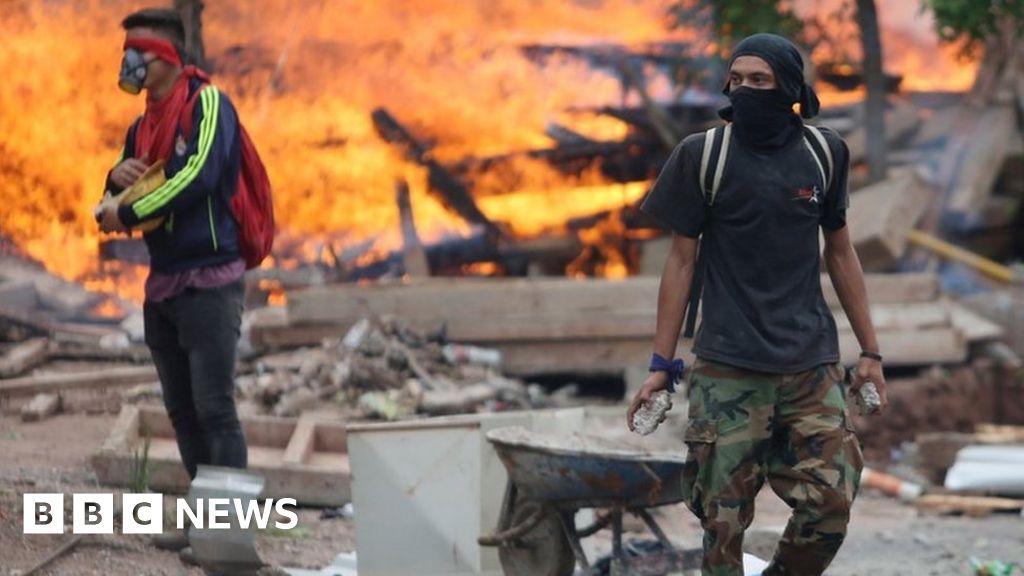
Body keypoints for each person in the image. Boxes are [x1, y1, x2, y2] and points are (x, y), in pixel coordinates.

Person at [627, 33, 887, 576]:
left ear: (789, 89)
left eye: (759, 80)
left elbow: (840, 252)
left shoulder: (824, 153)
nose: (743, 89)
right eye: (736, 79)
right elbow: (680, 264)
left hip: (810, 366)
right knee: (722, 522)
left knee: (830, 506)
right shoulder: (704, 156)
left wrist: (871, 352)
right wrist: (661, 364)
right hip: (728, 367)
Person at [96, 7, 247, 556]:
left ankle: (228, 541)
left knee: (215, 409)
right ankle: (202, 522)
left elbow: (199, 176)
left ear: (162, 56)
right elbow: (112, 203)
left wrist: (125, 215)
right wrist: (112, 184)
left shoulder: (208, 105)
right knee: (183, 411)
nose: (127, 61)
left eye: (135, 50)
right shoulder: (141, 127)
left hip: (210, 282)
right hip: (163, 286)